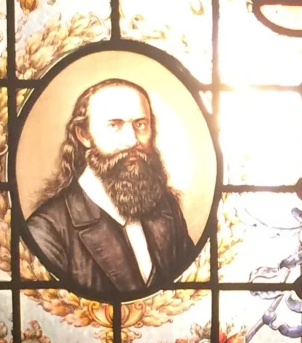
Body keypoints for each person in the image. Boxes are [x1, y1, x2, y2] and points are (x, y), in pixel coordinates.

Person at [25, 79, 194, 293]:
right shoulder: (47, 230)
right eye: (115, 125)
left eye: (140, 125)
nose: (132, 141)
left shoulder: (166, 208)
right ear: (84, 135)